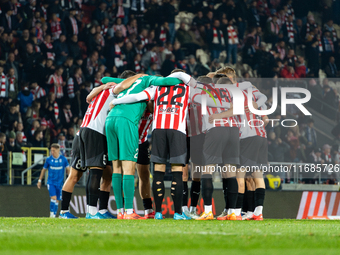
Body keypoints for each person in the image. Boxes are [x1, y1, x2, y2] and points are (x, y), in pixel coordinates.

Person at [37, 143, 70, 218]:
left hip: (60, 183)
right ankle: (51, 214)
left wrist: (70, 179)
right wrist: (39, 180)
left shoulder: (63, 159)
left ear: (58, 150)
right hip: (51, 182)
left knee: (57, 200)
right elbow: (43, 170)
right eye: (51, 150)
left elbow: (68, 170)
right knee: (53, 198)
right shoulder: (49, 159)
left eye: (54, 151)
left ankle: (54, 214)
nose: (52, 152)